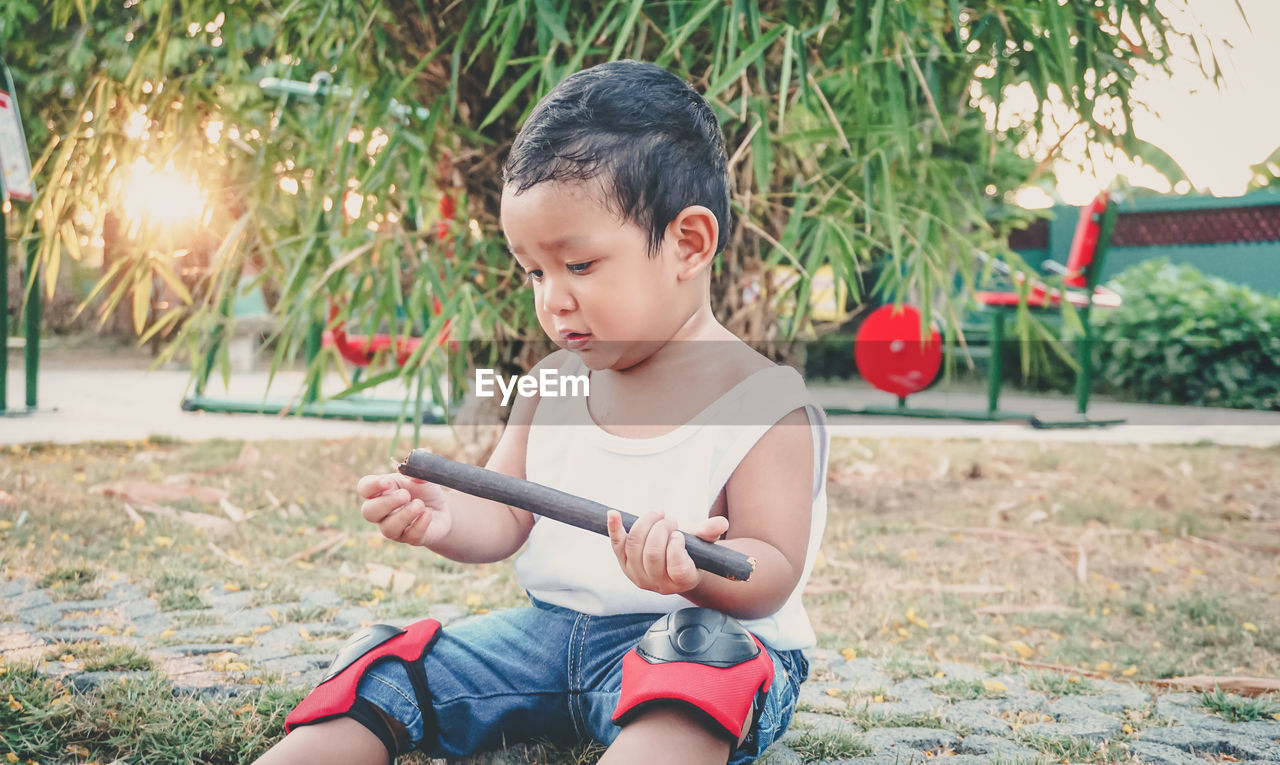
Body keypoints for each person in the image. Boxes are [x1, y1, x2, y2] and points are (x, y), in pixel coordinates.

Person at [254, 59, 829, 765]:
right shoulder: (550, 383)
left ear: (688, 244)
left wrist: (690, 574)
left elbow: (771, 567)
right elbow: (507, 514)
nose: (551, 298)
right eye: (533, 270)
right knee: (386, 665)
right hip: (546, 638)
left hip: (693, 640)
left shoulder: (764, 401)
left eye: (578, 266)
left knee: (699, 669)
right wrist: (444, 516)